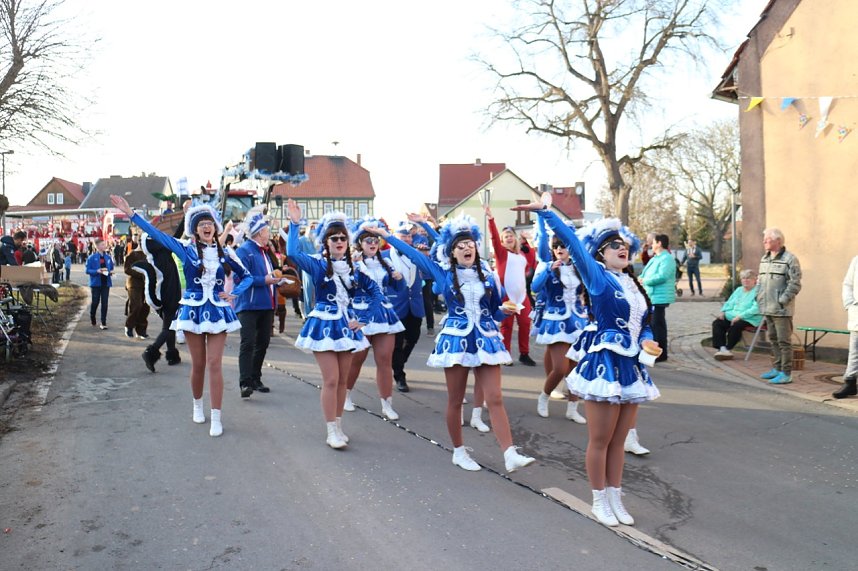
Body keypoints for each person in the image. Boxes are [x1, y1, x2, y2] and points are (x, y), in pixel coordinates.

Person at [520, 201, 659, 527]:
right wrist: (546, 214)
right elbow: (570, 241)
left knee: (619, 440)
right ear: (600, 253)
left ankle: (615, 496)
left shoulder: (633, 284)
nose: (621, 248)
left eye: (624, 245)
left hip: (632, 368)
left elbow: (644, 323)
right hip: (604, 366)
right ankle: (598, 499)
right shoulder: (598, 278)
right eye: (614, 244)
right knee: (600, 439)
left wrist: (646, 340)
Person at [366, 214, 535, 473]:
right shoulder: (443, 273)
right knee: (455, 400)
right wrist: (385, 235)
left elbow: (494, 311)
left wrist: (505, 311)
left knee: (495, 397)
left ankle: (509, 453)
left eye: (470, 244)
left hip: (487, 340)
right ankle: (458, 451)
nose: (467, 248)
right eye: (460, 246)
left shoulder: (489, 275)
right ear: (452, 252)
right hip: (457, 341)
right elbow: (414, 254)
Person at [110, 194, 252, 437]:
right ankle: (197, 404)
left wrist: (234, 293)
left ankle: (216, 416)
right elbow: (159, 236)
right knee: (198, 364)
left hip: (218, 311)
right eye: (201, 224)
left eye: (210, 223)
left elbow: (246, 276)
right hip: (193, 310)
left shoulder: (225, 253)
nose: (207, 227)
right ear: (195, 231)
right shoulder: (186, 249)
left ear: (215, 228)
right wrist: (132, 215)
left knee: (215, 364)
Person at [283, 200, 386, 449]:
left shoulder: (355, 270)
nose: (339, 241)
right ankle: (331, 430)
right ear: (326, 242)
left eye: (342, 237)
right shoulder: (318, 265)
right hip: (323, 326)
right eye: (333, 238)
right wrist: (295, 224)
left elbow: (376, 294)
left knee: (342, 380)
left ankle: (338, 426)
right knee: (331, 379)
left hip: (346, 328)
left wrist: (363, 319)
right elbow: (293, 254)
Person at [343, 217, 406, 419]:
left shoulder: (386, 262)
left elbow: (398, 289)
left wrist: (398, 279)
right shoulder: (351, 263)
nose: (372, 243)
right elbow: (349, 288)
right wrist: (356, 266)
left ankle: (387, 404)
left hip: (384, 314)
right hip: (361, 312)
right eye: (367, 240)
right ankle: (345, 395)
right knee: (357, 358)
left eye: (375, 240)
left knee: (385, 359)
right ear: (359, 243)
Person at [531, 219, 589, 423]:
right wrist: (547, 270)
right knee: (561, 368)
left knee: (577, 368)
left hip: (578, 321)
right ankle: (544, 397)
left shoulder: (578, 267)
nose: (559, 249)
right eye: (556, 246)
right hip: (556, 321)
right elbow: (535, 287)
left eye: (563, 246)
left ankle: (573, 408)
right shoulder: (547, 265)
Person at [234, 208, 280, 398]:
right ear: (260, 232)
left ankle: (255, 377)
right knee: (248, 343)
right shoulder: (244, 251)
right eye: (267, 230)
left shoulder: (265, 252)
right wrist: (265, 280)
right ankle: (245, 382)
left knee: (262, 342)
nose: (269, 233)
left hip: (266, 304)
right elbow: (239, 279)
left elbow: (270, 274)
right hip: (249, 305)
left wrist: (278, 280)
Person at [484, 205, 536, 366]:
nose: (508, 238)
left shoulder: (521, 255)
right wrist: (491, 219)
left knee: (526, 324)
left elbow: (532, 262)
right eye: (505, 236)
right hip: (507, 296)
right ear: (502, 240)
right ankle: (505, 353)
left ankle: (524, 353)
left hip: (522, 296)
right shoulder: (501, 254)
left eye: (510, 235)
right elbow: (493, 237)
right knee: (506, 326)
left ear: (515, 238)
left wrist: (529, 241)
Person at [757, 227, 802, 385]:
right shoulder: (765, 259)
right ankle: (776, 369)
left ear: (778, 241)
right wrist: (758, 297)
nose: (764, 242)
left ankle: (786, 373)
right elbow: (760, 282)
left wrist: (782, 300)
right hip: (767, 307)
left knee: (784, 342)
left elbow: (795, 284)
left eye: (768, 239)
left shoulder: (790, 259)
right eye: (764, 239)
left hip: (782, 310)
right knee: (773, 340)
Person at [386, 222, 425, 392]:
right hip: (396, 305)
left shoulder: (416, 255)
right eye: (403, 236)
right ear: (395, 238)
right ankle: (399, 375)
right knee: (397, 342)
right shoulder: (385, 255)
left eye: (409, 236)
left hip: (415, 304)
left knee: (413, 337)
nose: (407, 239)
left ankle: (398, 363)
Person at [139, 230, 183, 372]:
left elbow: (173, 237)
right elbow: (174, 237)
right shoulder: (158, 255)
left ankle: (172, 354)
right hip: (167, 292)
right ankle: (150, 353)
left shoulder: (161, 254)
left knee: (170, 324)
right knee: (169, 326)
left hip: (169, 291)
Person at [639, 234, 676, 362]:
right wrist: (641, 278)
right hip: (652, 296)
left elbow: (662, 276)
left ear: (659, 243)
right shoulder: (656, 258)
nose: (652, 245)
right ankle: (656, 351)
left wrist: (645, 281)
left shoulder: (667, 259)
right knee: (654, 324)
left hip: (659, 296)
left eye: (654, 242)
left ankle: (661, 353)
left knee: (657, 325)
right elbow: (646, 271)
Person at [712, 270, 761, 360]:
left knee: (736, 326)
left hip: (750, 318)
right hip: (733, 316)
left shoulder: (758, 291)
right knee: (718, 323)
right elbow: (730, 302)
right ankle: (722, 348)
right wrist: (723, 311)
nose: (746, 280)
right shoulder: (739, 290)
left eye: (749, 278)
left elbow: (756, 309)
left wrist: (740, 316)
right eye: (743, 278)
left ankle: (728, 348)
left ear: (755, 280)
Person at [834, 255, 858, 398]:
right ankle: (850, 382)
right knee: (855, 351)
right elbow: (847, 284)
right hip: (856, 313)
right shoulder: (856, 260)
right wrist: (849, 304)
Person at [85, 239, 115, 330]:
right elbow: (87, 270)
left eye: (104, 244)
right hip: (96, 284)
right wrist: (96, 271)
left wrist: (111, 273)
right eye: (102, 244)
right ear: (97, 246)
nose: (104, 246)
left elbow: (111, 268)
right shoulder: (91, 257)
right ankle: (92, 316)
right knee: (95, 302)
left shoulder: (108, 257)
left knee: (105, 303)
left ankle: (103, 322)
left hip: (106, 283)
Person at [123, 241, 150, 339]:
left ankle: (141, 330)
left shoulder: (149, 255)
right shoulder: (132, 254)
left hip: (146, 284)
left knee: (145, 307)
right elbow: (127, 269)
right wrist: (141, 273)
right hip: (133, 284)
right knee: (136, 305)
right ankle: (129, 326)